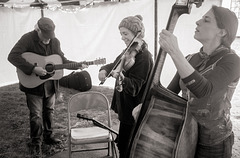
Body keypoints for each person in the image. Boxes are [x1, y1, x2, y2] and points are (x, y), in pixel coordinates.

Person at [159, 5, 239, 158]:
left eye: (206, 20)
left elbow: (204, 90)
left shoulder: (233, 61)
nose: (197, 22)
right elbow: (169, 93)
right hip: (184, 134)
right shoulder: (190, 58)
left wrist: (175, 52)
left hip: (214, 142)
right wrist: (145, 105)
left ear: (222, 32)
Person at [8, 17, 87, 158]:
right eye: (45, 38)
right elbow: (12, 56)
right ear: (37, 30)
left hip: (50, 84)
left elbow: (62, 60)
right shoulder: (27, 39)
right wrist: (33, 68)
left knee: (49, 111)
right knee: (36, 115)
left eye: (50, 38)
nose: (48, 41)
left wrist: (78, 64)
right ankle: (35, 143)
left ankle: (48, 136)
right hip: (33, 85)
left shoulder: (55, 41)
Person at [98, 15, 153, 158]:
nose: (122, 37)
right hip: (126, 106)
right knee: (124, 144)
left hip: (134, 109)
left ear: (137, 34)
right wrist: (104, 69)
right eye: (121, 34)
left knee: (128, 146)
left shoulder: (144, 57)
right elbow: (114, 64)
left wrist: (122, 78)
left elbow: (135, 86)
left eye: (125, 33)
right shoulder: (128, 51)